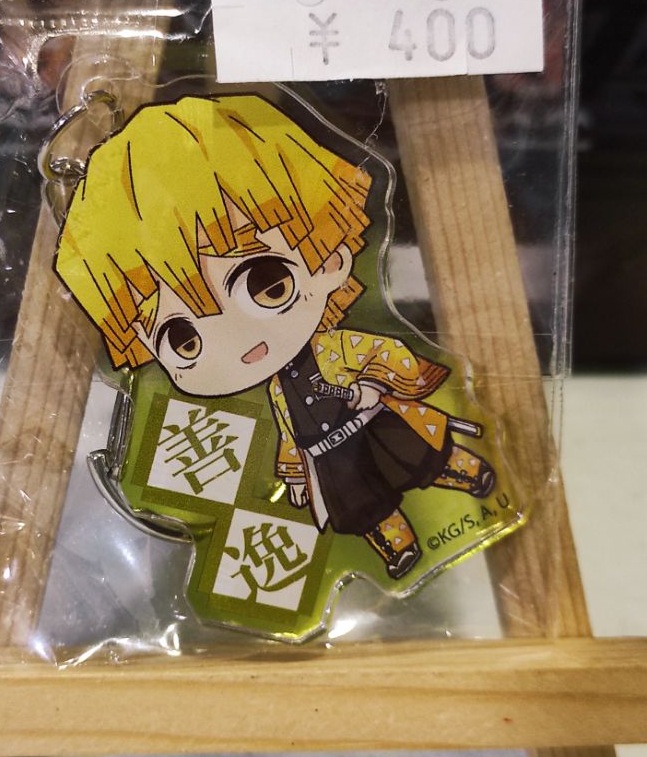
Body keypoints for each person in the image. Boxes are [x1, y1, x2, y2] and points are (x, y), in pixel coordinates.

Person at [56, 93, 494, 580]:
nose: (239, 340)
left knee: (421, 456)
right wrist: (296, 473)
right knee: (363, 505)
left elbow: (383, 353)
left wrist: (375, 384)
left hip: (369, 419)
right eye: (182, 338)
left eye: (266, 284)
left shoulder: (339, 346)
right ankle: (398, 547)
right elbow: (289, 429)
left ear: (328, 258)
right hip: (326, 454)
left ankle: (469, 473)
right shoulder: (278, 393)